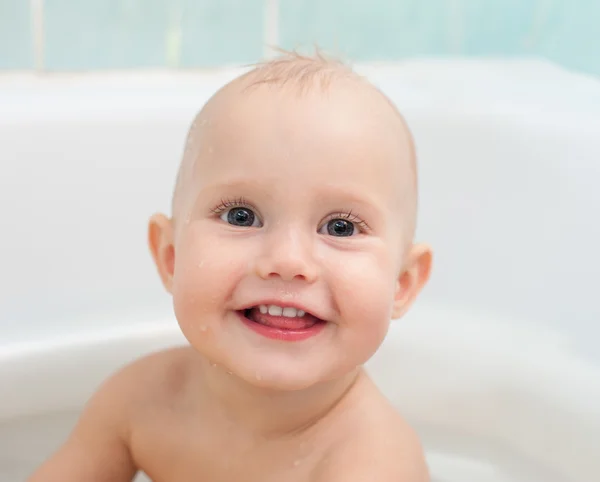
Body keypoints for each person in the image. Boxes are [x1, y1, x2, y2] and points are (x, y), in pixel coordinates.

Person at [28, 50, 433, 482]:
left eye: (340, 227)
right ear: (171, 256)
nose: (288, 261)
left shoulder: (371, 466)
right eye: (242, 216)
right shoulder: (140, 399)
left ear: (401, 285)